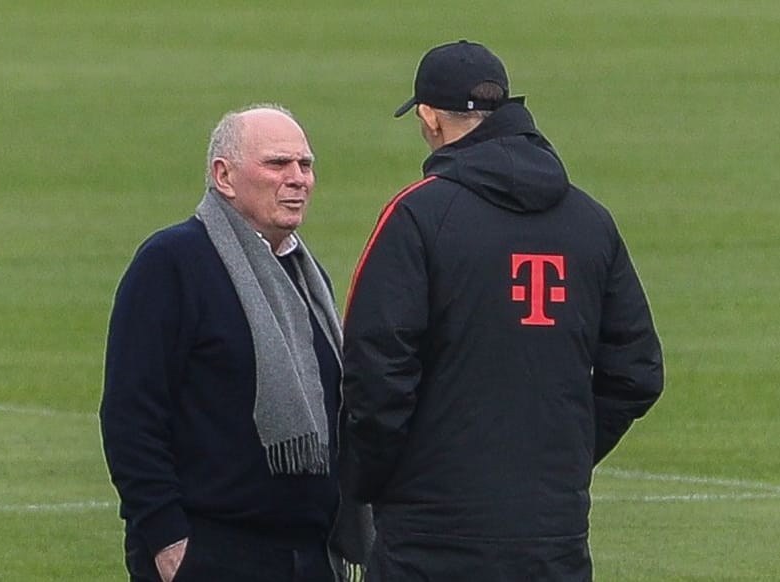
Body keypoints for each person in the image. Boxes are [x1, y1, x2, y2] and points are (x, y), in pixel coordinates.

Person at [340, 41, 665, 581]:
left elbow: (376, 372)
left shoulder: (418, 216)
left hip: (431, 534)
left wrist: (372, 481)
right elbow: (637, 373)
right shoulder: (590, 221)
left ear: (429, 119)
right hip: (550, 532)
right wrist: (563, 458)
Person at [100, 104, 347, 582]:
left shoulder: (308, 278)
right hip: (212, 550)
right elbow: (131, 414)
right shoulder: (172, 263)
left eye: (306, 164)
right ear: (224, 176)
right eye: (278, 164)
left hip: (307, 553)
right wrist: (168, 541)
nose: (298, 179)